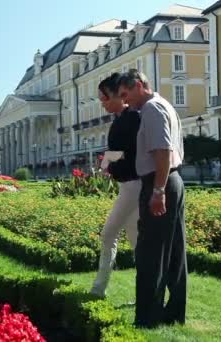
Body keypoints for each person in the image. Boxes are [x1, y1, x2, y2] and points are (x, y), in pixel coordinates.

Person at [117, 69, 187, 328]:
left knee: (150, 254)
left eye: (126, 94)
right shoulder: (164, 104)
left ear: (138, 85)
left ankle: (147, 318)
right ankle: (174, 313)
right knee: (175, 252)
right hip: (172, 180)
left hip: (161, 182)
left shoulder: (151, 108)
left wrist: (157, 191)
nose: (125, 102)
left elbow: (162, 151)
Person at [90, 72, 141, 297]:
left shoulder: (132, 119)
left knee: (109, 234)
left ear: (120, 94)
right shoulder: (123, 119)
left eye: (105, 98)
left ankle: (98, 288)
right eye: (101, 100)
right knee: (135, 240)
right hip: (129, 185)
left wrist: (108, 161)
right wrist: (109, 160)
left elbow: (131, 154)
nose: (103, 104)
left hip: (133, 185)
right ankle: (147, 292)